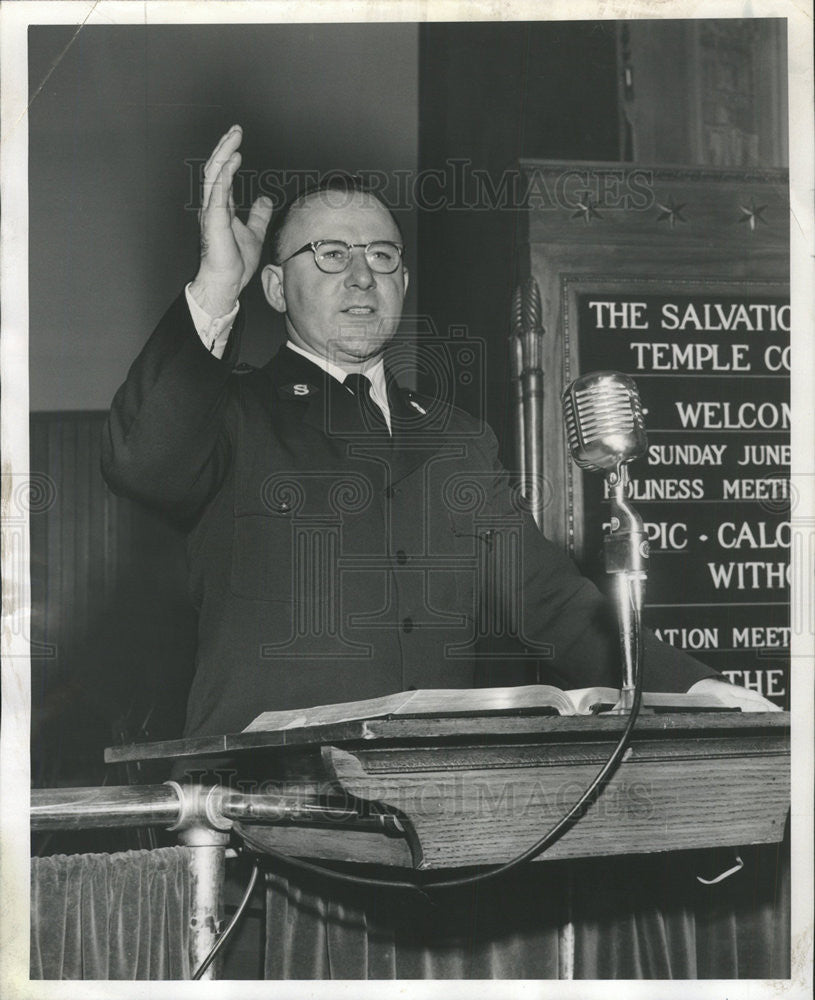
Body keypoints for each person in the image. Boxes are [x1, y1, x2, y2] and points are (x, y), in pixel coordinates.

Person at [101, 124, 780, 981]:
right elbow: (142, 458)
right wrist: (212, 287)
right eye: (330, 254)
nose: (361, 275)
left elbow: (552, 605)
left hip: (436, 848)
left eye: (383, 257)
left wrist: (695, 691)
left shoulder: (455, 439)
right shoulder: (230, 415)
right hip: (270, 847)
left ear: (405, 282)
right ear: (273, 284)